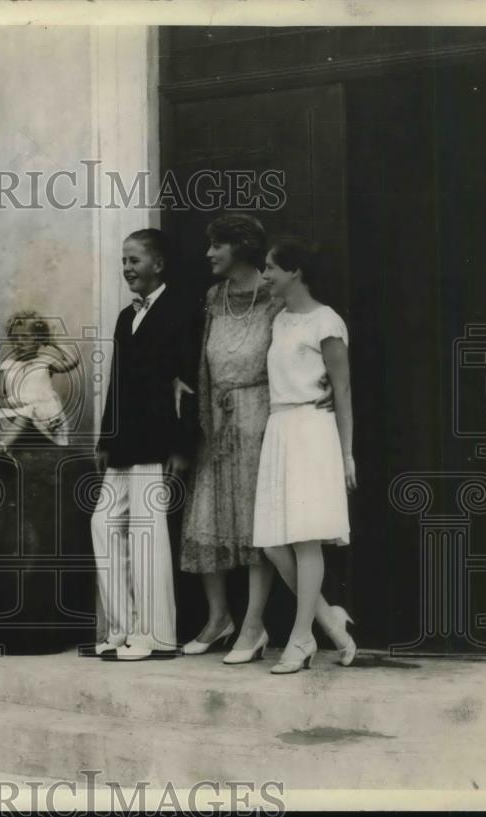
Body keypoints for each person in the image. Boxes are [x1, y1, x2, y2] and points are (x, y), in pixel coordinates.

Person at [174, 214, 280, 663]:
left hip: (260, 419)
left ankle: (253, 626)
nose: (209, 254)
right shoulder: (214, 297)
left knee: (257, 524)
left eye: (217, 245)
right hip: (216, 422)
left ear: (240, 247)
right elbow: (202, 361)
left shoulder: (275, 299)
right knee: (207, 519)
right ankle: (219, 618)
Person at [252, 235, 358, 674]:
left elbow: (343, 389)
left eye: (271, 268)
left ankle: (301, 639)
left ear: (294, 272)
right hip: (280, 430)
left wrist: (347, 452)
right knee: (275, 545)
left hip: (313, 434)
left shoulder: (326, 322)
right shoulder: (279, 320)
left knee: (305, 538)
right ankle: (329, 618)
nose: (265, 275)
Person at [89, 228, 193, 661]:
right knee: (104, 524)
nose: (127, 268)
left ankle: (157, 635)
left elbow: (189, 386)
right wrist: (104, 440)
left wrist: (183, 448)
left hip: (158, 443)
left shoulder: (181, 311)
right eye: (124, 260)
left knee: (148, 534)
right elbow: (117, 384)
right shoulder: (123, 317)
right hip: (125, 443)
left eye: (135, 260)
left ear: (159, 264)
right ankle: (122, 628)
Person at [0, 310, 80, 454]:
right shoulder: (5, 366)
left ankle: (3, 446)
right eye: (14, 338)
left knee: (26, 415)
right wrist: (14, 405)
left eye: (25, 337)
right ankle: (5, 449)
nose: (19, 342)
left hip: (42, 414)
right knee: (4, 416)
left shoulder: (45, 362)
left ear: (38, 339)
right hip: (14, 409)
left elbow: (73, 361)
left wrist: (54, 342)